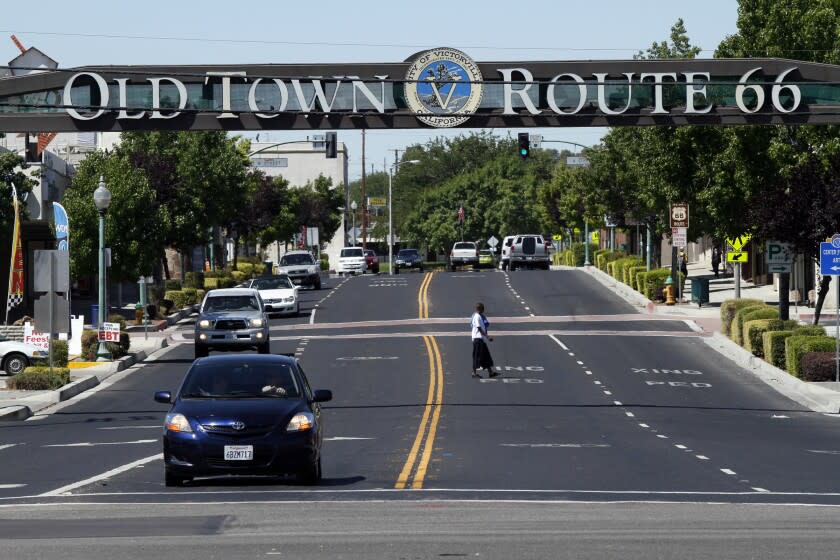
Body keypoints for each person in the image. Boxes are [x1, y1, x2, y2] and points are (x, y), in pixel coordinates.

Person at [470, 302, 496, 379]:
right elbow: (479, 328)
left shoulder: (480, 316)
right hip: (478, 339)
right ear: (480, 309)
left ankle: (490, 372)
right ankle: (474, 373)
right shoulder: (477, 316)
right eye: (483, 308)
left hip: (481, 339)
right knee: (477, 356)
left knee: (486, 356)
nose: (484, 310)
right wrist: (488, 337)